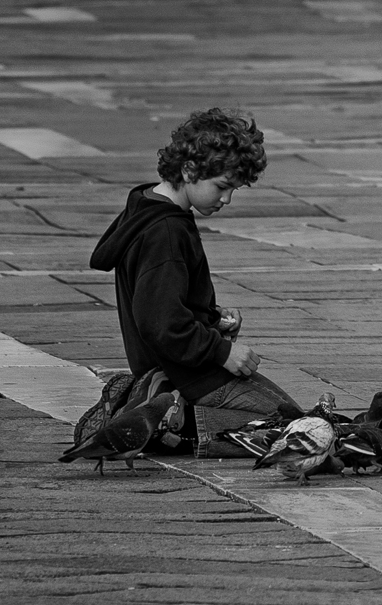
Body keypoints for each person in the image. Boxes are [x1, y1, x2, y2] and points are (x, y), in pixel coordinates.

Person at [89, 107, 300, 457]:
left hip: (182, 372)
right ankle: (164, 424)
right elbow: (161, 324)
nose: (227, 199)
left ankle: (160, 415)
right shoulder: (167, 232)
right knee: (296, 432)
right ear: (189, 170)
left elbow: (163, 301)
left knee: (297, 424)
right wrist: (222, 351)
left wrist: (212, 319)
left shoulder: (148, 210)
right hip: (190, 376)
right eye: (222, 187)